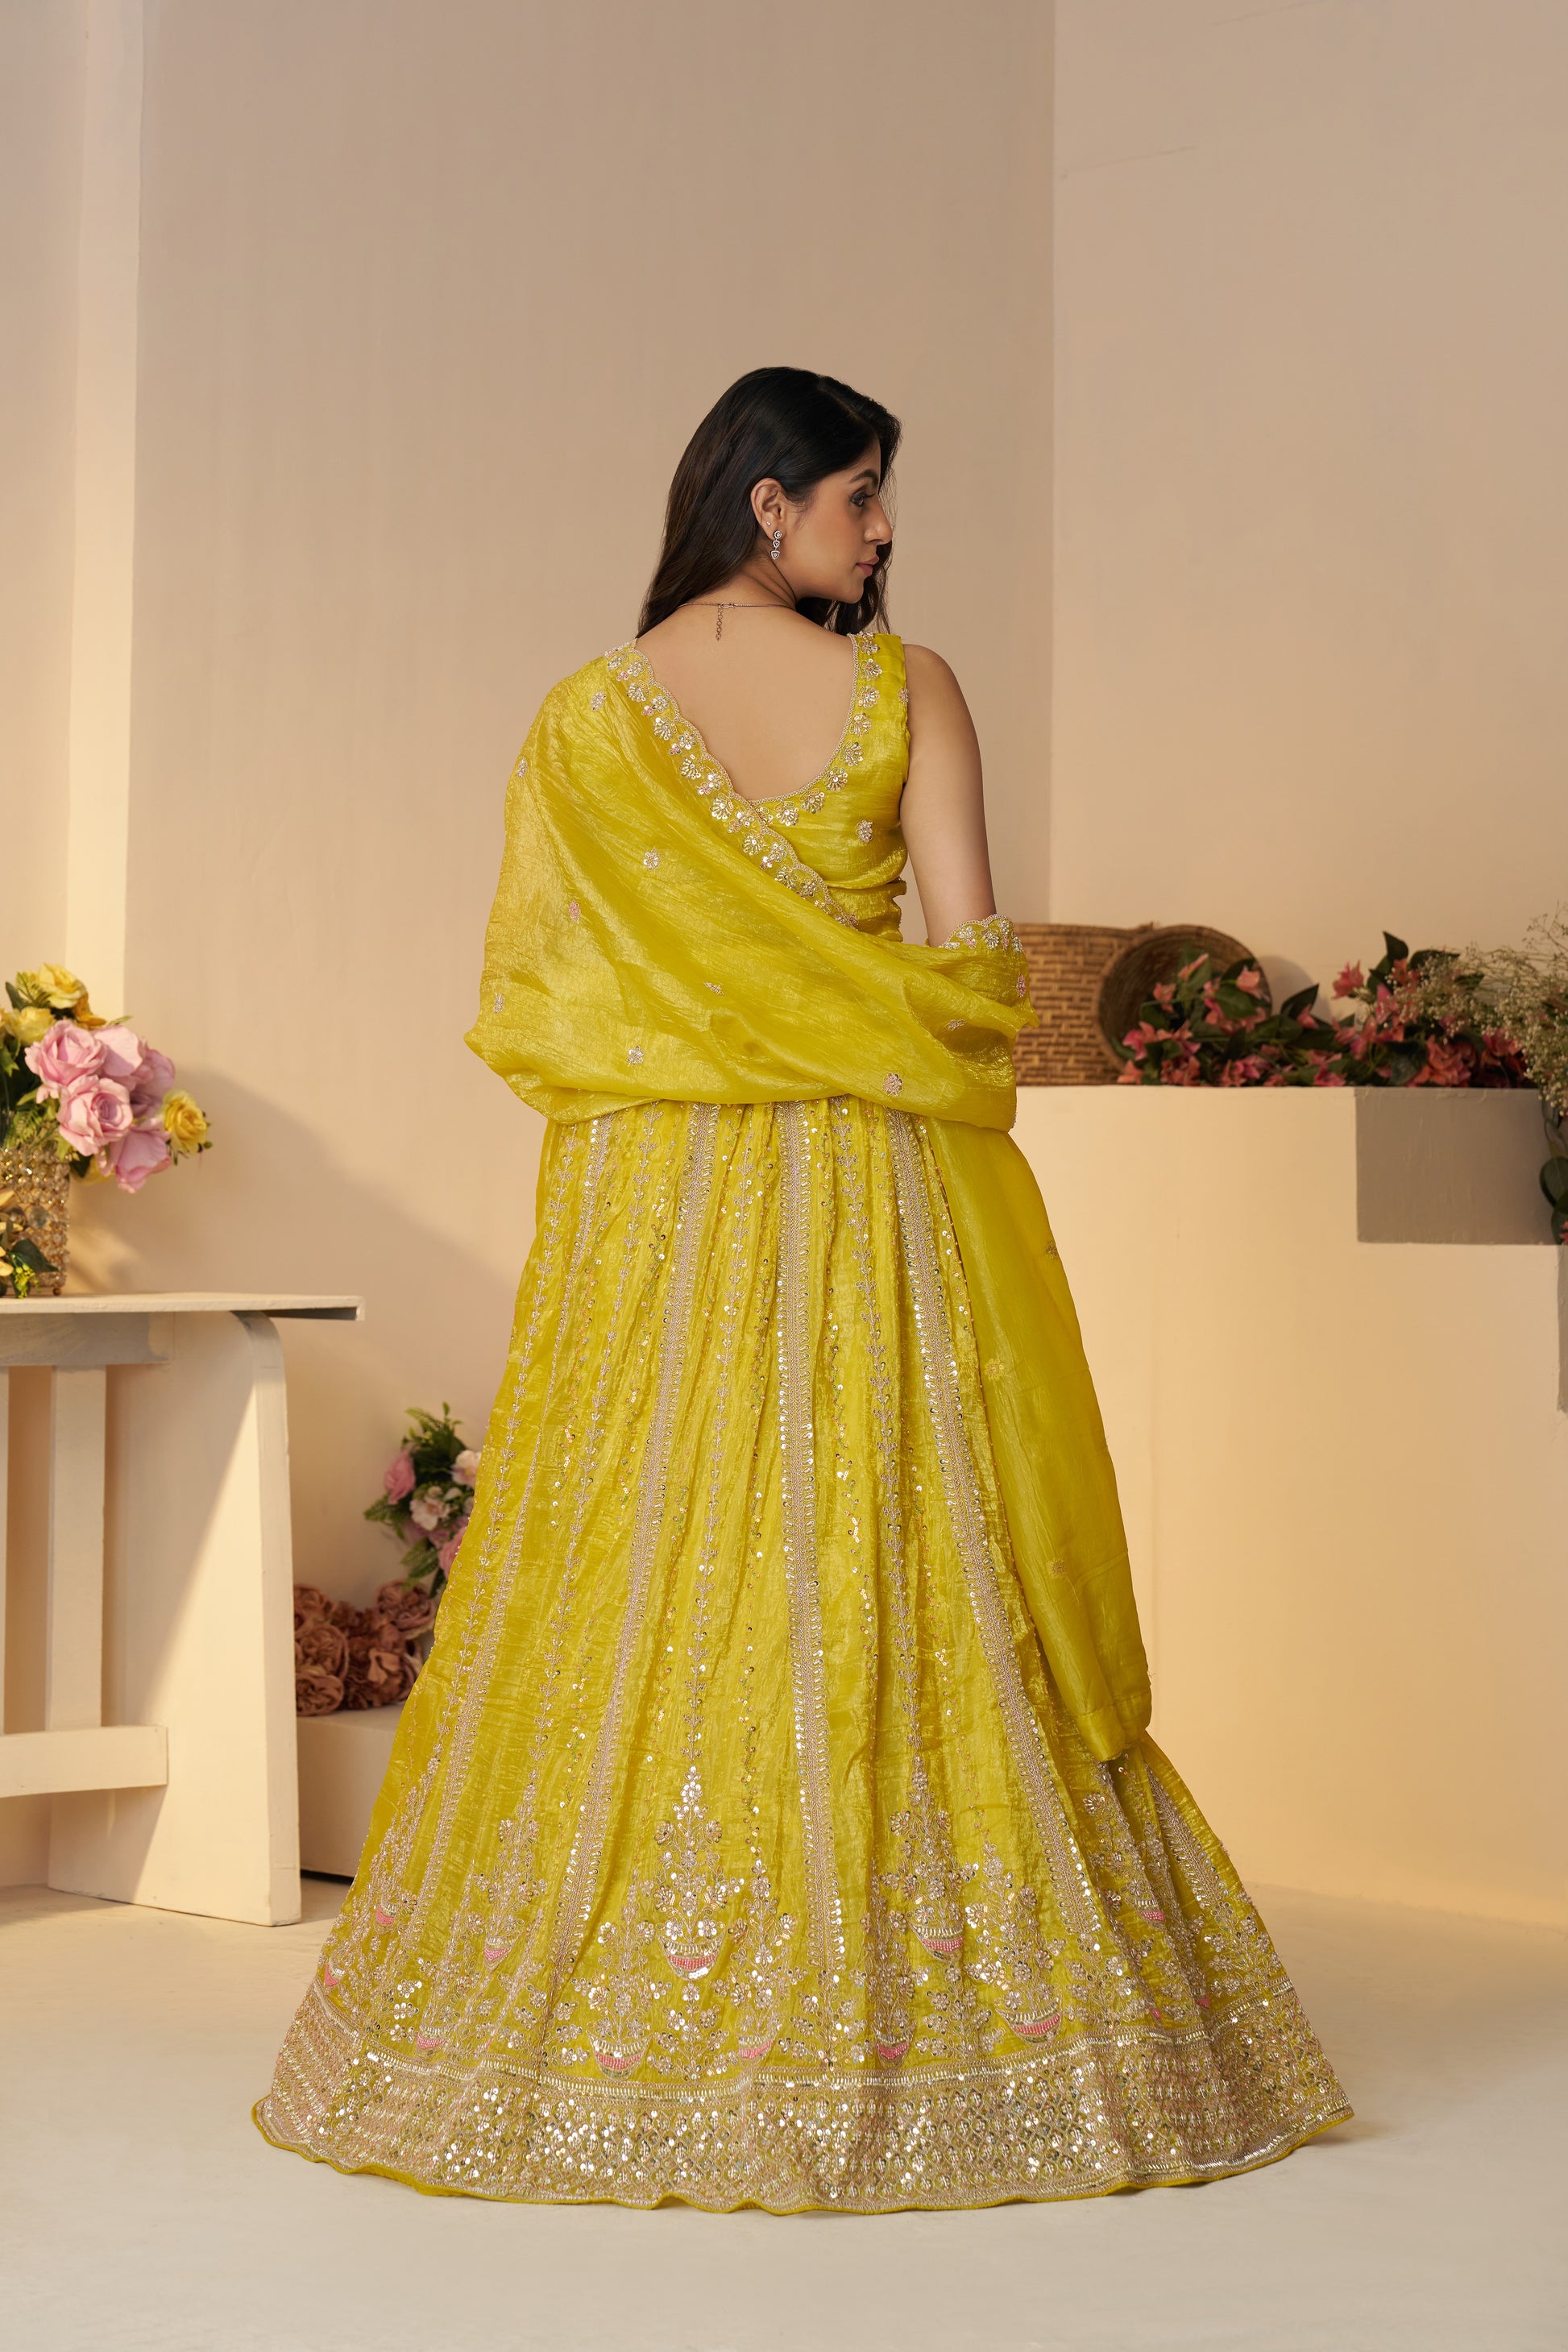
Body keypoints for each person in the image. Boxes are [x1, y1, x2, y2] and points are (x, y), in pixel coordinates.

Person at [256, 367, 1350, 2209]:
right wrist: (847, 1007)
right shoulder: (910, 692)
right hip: (867, 1187)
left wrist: (720, 1032)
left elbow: (551, 1001)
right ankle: (940, 2000)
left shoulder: (586, 721)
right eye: (859, 494)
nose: (885, 527)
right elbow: (976, 975)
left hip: (658, 1209)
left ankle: (605, 2003)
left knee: (654, 1566)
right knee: (891, 1548)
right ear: (766, 504)